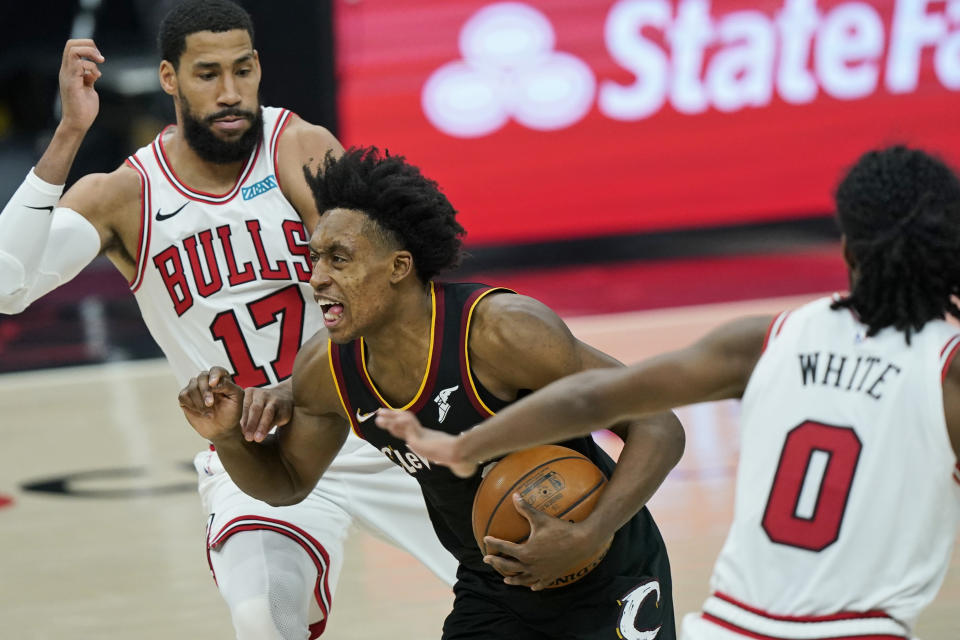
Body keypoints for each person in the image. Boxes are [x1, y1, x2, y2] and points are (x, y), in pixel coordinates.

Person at [0, 2, 458, 638]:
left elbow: (380, 283)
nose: (230, 93)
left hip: (371, 422)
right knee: (261, 620)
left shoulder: (298, 149)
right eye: (208, 74)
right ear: (169, 78)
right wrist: (69, 133)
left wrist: (301, 384)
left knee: (526, 577)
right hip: (255, 452)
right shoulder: (124, 196)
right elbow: (6, 286)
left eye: (243, 71)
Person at [375, 145, 960, 640]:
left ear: (848, 249)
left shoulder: (769, 339)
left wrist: (463, 445)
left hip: (729, 625)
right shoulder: (945, 374)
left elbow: (591, 398)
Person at [178, 145, 686, 639]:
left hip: (606, 566)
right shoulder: (328, 367)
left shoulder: (501, 332)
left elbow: (656, 423)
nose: (318, 278)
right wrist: (229, 439)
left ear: (399, 267)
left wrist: (589, 534)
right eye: (314, 258)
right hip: (494, 588)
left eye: (339, 259)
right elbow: (287, 484)